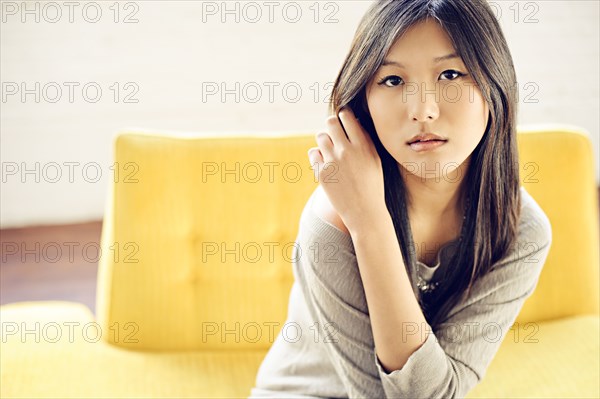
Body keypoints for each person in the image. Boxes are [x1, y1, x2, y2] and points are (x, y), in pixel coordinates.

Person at [250, 0, 552, 398]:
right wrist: (368, 222)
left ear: (494, 87)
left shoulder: (519, 231)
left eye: (450, 73)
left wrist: (369, 221)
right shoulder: (333, 223)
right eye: (393, 80)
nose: (422, 110)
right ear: (363, 102)